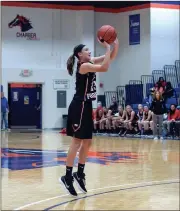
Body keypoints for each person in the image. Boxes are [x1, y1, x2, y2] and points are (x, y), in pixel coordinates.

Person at [60, 38, 119, 196]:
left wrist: (115, 44)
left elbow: (110, 58)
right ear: (79, 54)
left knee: (88, 142)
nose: (90, 51)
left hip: (86, 106)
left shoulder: (90, 61)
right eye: (86, 50)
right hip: (79, 106)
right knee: (77, 142)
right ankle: (67, 176)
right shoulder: (84, 65)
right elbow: (105, 67)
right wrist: (107, 47)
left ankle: (79, 173)